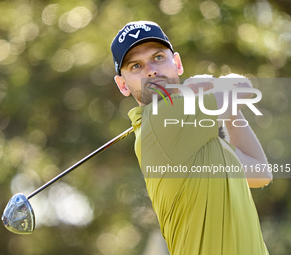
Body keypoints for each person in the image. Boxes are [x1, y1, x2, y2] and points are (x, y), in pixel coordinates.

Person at [110, 21, 272, 255]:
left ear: (176, 63)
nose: (151, 71)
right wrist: (201, 88)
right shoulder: (160, 122)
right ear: (123, 85)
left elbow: (260, 172)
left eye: (157, 57)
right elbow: (242, 86)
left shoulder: (197, 137)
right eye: (136, 66)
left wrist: (228, 108)